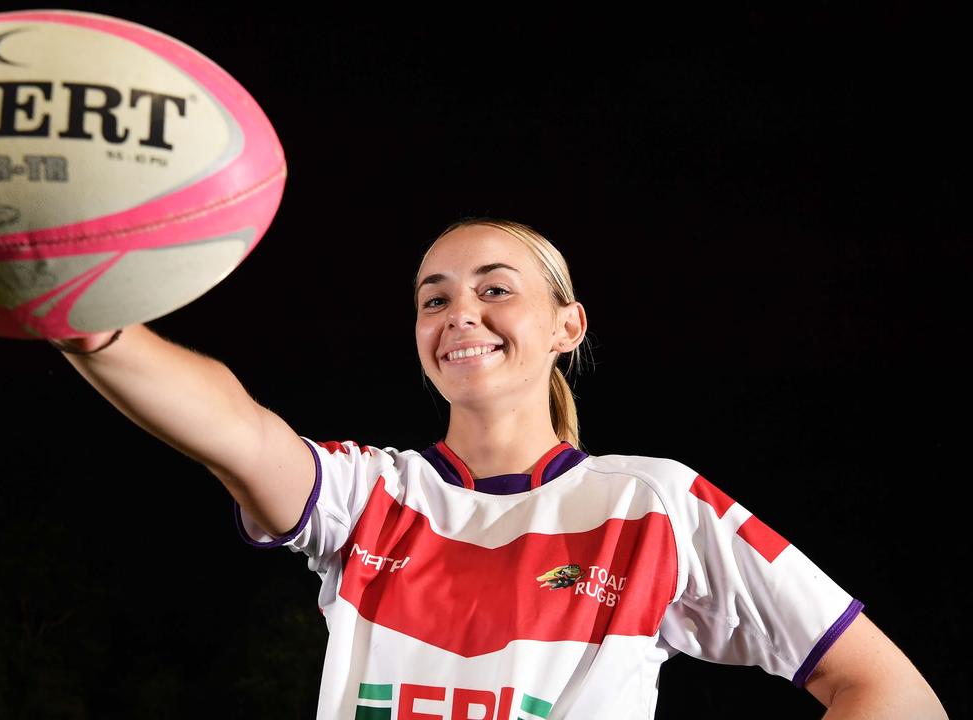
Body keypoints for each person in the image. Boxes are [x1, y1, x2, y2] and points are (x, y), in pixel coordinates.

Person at [52, 218, 946, 719]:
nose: (459, 313)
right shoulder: (375, 496)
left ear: (568, 326)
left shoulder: (653, 502)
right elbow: (238, 431)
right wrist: (91, 324)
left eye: (494, 288)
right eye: (433, 298)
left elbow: (891, 691)